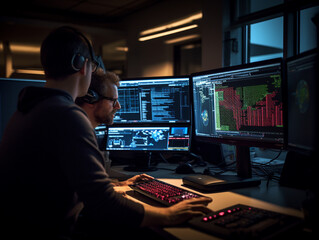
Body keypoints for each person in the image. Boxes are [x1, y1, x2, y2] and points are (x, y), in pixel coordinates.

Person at [0, 26, 211, 240]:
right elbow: (102, 203)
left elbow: (62, 181)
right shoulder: (66, 115)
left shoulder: (29, 109)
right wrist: (169, 215)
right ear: (83, 66)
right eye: (92, 66)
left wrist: (114, 185)